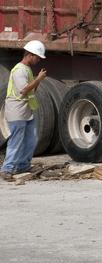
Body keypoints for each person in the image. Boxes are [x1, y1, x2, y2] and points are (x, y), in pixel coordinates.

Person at [3, 40, 48, 181]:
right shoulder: (19, 70)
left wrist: (38, 80)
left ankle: (23, 165)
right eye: (37, 57)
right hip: (16, 112)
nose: (39, 60)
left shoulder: (27, 69)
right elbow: (23, 90)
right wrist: (38, 78)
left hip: (26, 112)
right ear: (30, 55)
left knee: (31, 139)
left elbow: (32, 90)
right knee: (16, 141)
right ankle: (7, 169)